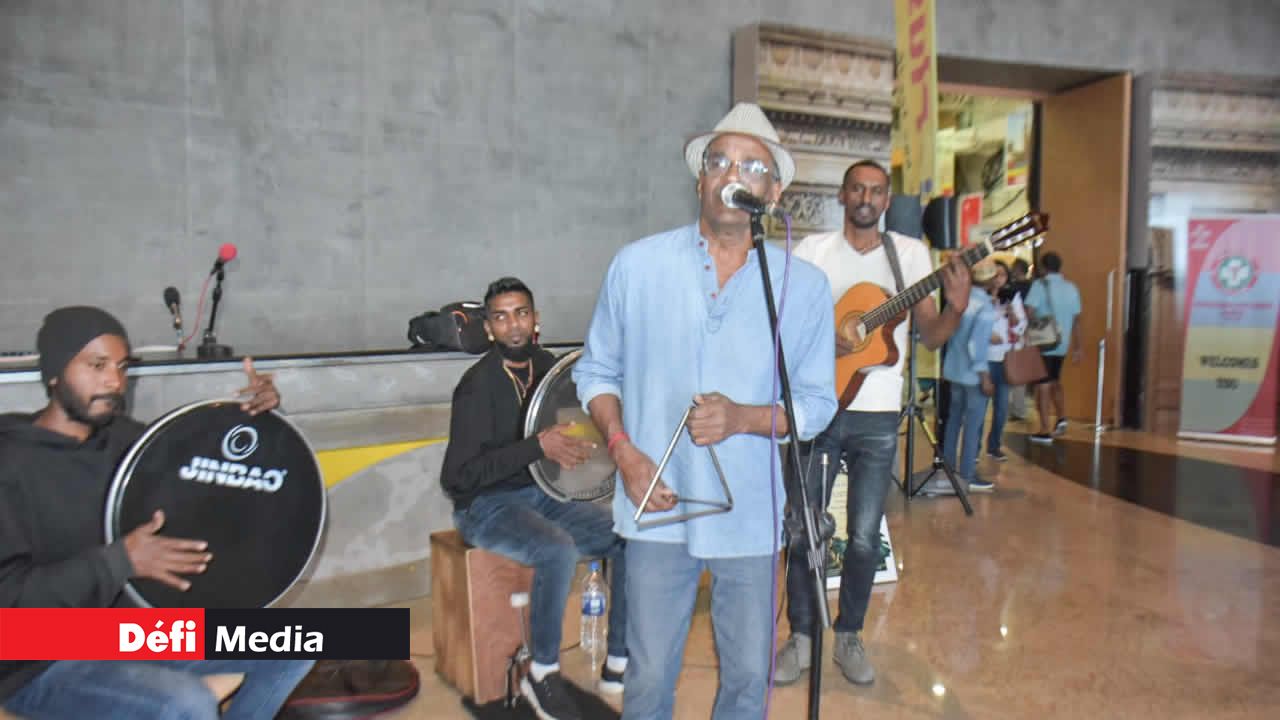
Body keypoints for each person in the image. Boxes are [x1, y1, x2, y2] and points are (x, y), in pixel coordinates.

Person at [573, 103, 837, 719]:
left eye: (749, 165)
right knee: (647, 679)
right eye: (718, 161)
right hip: (654, 505)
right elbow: (595, 371)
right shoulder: (636, 266)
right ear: (700, 179)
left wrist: (743, 418)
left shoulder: (803, 287)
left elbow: (818, 404)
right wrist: (625, 452)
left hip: (749, 512)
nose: (730, 173)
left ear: (772, 190)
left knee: (748, 679)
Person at [0, 305, 313, 720]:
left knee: (298, 643)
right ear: (55, 372)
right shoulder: (11, 462)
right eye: (97, 365)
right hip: (38, 663)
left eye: (122, 366)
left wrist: (262, 421)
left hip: (130, 634)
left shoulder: (126, 439)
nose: (114, 381)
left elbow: (219, 470)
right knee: (187, 703)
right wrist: (120, 561)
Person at [774, 160, 972, 687]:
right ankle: (801, 636)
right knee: (803, 531)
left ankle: (850, 635)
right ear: (842, 195)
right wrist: (826, 340)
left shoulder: (909, 255)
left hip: (878, 415)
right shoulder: (812, 250)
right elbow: (783, 325)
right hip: (817, 409)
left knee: (863, 537)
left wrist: (956, 308)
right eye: (858, 188)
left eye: (877, 191)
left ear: (887, 201)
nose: (866, 197)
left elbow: (930, 335)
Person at [441, 277, 627, 720]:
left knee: (627, 533)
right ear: (489, 328)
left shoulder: (555, 371)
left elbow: (579, 439)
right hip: (486, 507)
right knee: (555, 550)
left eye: (521, 313)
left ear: (536, 319)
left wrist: (590, 451)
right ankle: (540, 673)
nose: (514, 326)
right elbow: (458, 479)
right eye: (501, 317)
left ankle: (618, 659)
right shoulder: (475, 386)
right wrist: (535, 448)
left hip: (544, 496)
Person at [933, 262, 998, 494]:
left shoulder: (958, 302)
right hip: (972, 375)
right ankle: (968, 476)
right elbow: (975, 345)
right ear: (990, 282)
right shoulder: (986, 307)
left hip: (953, 371)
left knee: (953, 422)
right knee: (973, 427)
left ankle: (948, 471)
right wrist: (984, 375)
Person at [1023, 252, 1083, 443]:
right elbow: (1077, 319)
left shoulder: (1039, 286)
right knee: (1055, 379)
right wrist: (1078, 347)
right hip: (1062, 343)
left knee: (1043, 385)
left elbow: (1029, 312)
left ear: (1042, 268)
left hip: (1045, 341)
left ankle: (1044, 429)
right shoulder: (1071, 288)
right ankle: (1061, 418)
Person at [985, 260, 1027, 461]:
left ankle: (994, 446)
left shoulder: (1013, 296)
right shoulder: (981, 296)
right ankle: (973, 449)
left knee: (1001, 407)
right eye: (995, 274)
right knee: (979, 407)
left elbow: (1022, 323)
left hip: (1005, 357)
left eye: (1002, 275)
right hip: (985, 358)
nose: (998, 279)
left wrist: (1014, 319)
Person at [1005, 258, 1033, 421]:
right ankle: (1019, 407)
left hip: (1013, 331)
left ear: (1016, 270)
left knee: (1010, 370)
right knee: (1020, 372)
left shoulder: (1011, 289)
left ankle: (1013, 408)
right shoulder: (1033, 286)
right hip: (1027, 331)